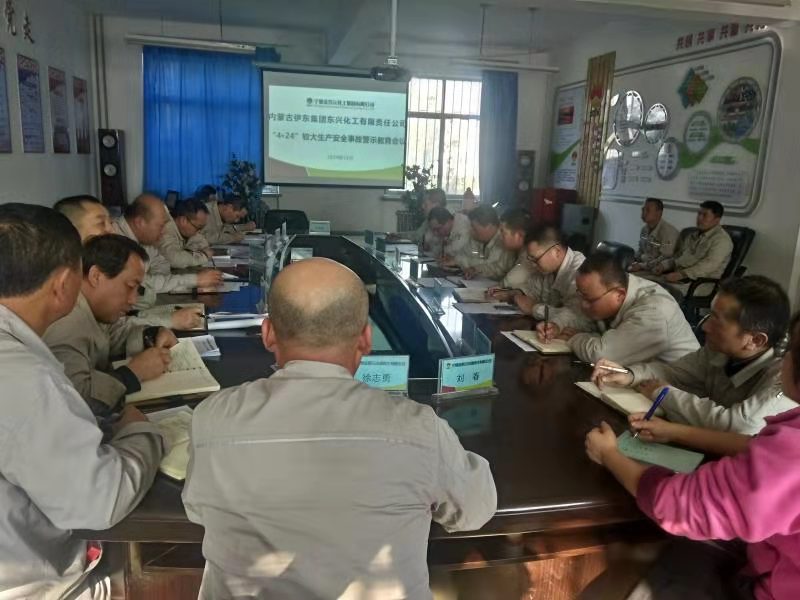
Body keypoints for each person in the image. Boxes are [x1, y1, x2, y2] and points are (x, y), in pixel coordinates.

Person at [183, 257, 497, 599]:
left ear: (268, 333)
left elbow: (197, 511)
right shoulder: (420, 430)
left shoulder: (212, 419)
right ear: (365, 339)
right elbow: (476, 510)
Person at [0, 203, 162, 598]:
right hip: (36, 583)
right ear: (62, 284)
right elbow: (99, 501)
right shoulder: (23, 378)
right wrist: (142, 434)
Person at [584, 310, 800, 600]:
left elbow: (677, 504)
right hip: (763, 554)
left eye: (792, 350)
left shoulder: (789, 446)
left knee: (620, 577)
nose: (705, 325)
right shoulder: (714, 353)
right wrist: (675, 431)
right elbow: (757, 444)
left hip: (767, 587)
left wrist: (609, 454)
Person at [591, 276, 794, 435]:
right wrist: (629, 374)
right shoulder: (718, 350)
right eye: (709, 315)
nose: (705, 327)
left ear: (756, 340)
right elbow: (674, 373)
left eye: (717, 321)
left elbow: (738, 426)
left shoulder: (785, 377)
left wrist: (664, 394)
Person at [44, 234, 177, 417]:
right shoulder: (66, 322)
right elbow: (74, 401)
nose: (133, 300)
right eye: (129, 286)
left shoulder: (91, 308)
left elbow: (110, 336)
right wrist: (133, 374)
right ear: (96, 276)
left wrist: (151, 335)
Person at [55, 194, 202, 330]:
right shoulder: (65, 299)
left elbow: (110, 330)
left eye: (110, 222)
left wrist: (152, 331)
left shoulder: (139, 241)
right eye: (101, 223)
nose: (111, 230)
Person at [538, 253, 699, 365]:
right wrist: (557, 325)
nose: (583, 304)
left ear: (619, 295)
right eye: (580, 294)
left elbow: (601, 354)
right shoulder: (609, 289)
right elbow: (578, 314)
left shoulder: (653, 311)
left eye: (589, 299)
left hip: (675, 391)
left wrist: (574, 338)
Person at [114, 193, 223, 308]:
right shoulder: (115, 242)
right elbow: (142, 284)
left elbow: (161, 264)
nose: (163, 232)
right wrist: (194, 280)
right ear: (140, 222)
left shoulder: (143, 238)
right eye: (161, 226)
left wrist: (162, 282)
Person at [500, 226, 590, 328]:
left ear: (556, 251)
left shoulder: (579, 272)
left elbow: (576, 316)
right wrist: (514, 293)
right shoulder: (548, 269)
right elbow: (533, 289)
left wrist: (535, 309)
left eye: (535, 259)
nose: (533, 264)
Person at [649, 200, 734, 290]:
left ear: (717, 219)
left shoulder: (722, 240)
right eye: (699, 214)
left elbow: (708, 266)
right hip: (678, 279)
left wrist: (682, 274)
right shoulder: (692, 235)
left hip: (699, 285)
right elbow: (678, 256)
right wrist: (663, 265)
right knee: (646, 283)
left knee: (654, 291)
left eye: (704, 215)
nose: (699, 218)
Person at [452, 205, 516, 280]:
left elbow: (494, 267)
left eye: (474, 228)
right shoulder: (479, 238)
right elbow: (465, 255)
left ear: (489, 226)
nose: (471, 231)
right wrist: (473, 268)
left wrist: (460, 262)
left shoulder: (504, 241)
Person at [157, 197, 214, 269]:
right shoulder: (167, 229)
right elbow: (174, 259)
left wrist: (189, 252)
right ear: (183, 220)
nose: (199, 231)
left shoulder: (186, 230)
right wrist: (203, 256)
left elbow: (204, 244)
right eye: (198, 227)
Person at [393, 188, 448, 257]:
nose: (422, 207)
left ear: (436, 205)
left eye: (425, 204)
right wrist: (398, 235)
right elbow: (417, 235)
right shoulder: (429, 220)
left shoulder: (445, 223)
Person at [628, 197, 679, 273]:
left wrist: (641, 266)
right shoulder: (644, 229)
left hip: (659, 271)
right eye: (643, 210)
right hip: (645, 267)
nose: (644, 213)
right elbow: (641, 251)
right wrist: (633, 260)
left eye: (648, 210)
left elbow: (664, 259)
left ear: (659, 213)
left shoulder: (669, 232)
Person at [492, 207, 532, 292]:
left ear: (519, 235)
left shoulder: (530, 257)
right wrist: (476, 269)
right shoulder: (512, 251)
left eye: (503, 232)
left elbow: (509, 282)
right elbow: (499, 268)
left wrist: (499, 287)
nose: (500, 237)